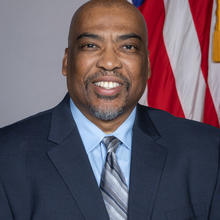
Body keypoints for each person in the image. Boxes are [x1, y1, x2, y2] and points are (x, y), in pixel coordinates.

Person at [0, 0, 219, 219]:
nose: (109, 62)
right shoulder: (7, 157)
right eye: (91, 46)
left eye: (128, 47)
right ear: (67, 61)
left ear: (148, 65)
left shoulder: (208, 152)